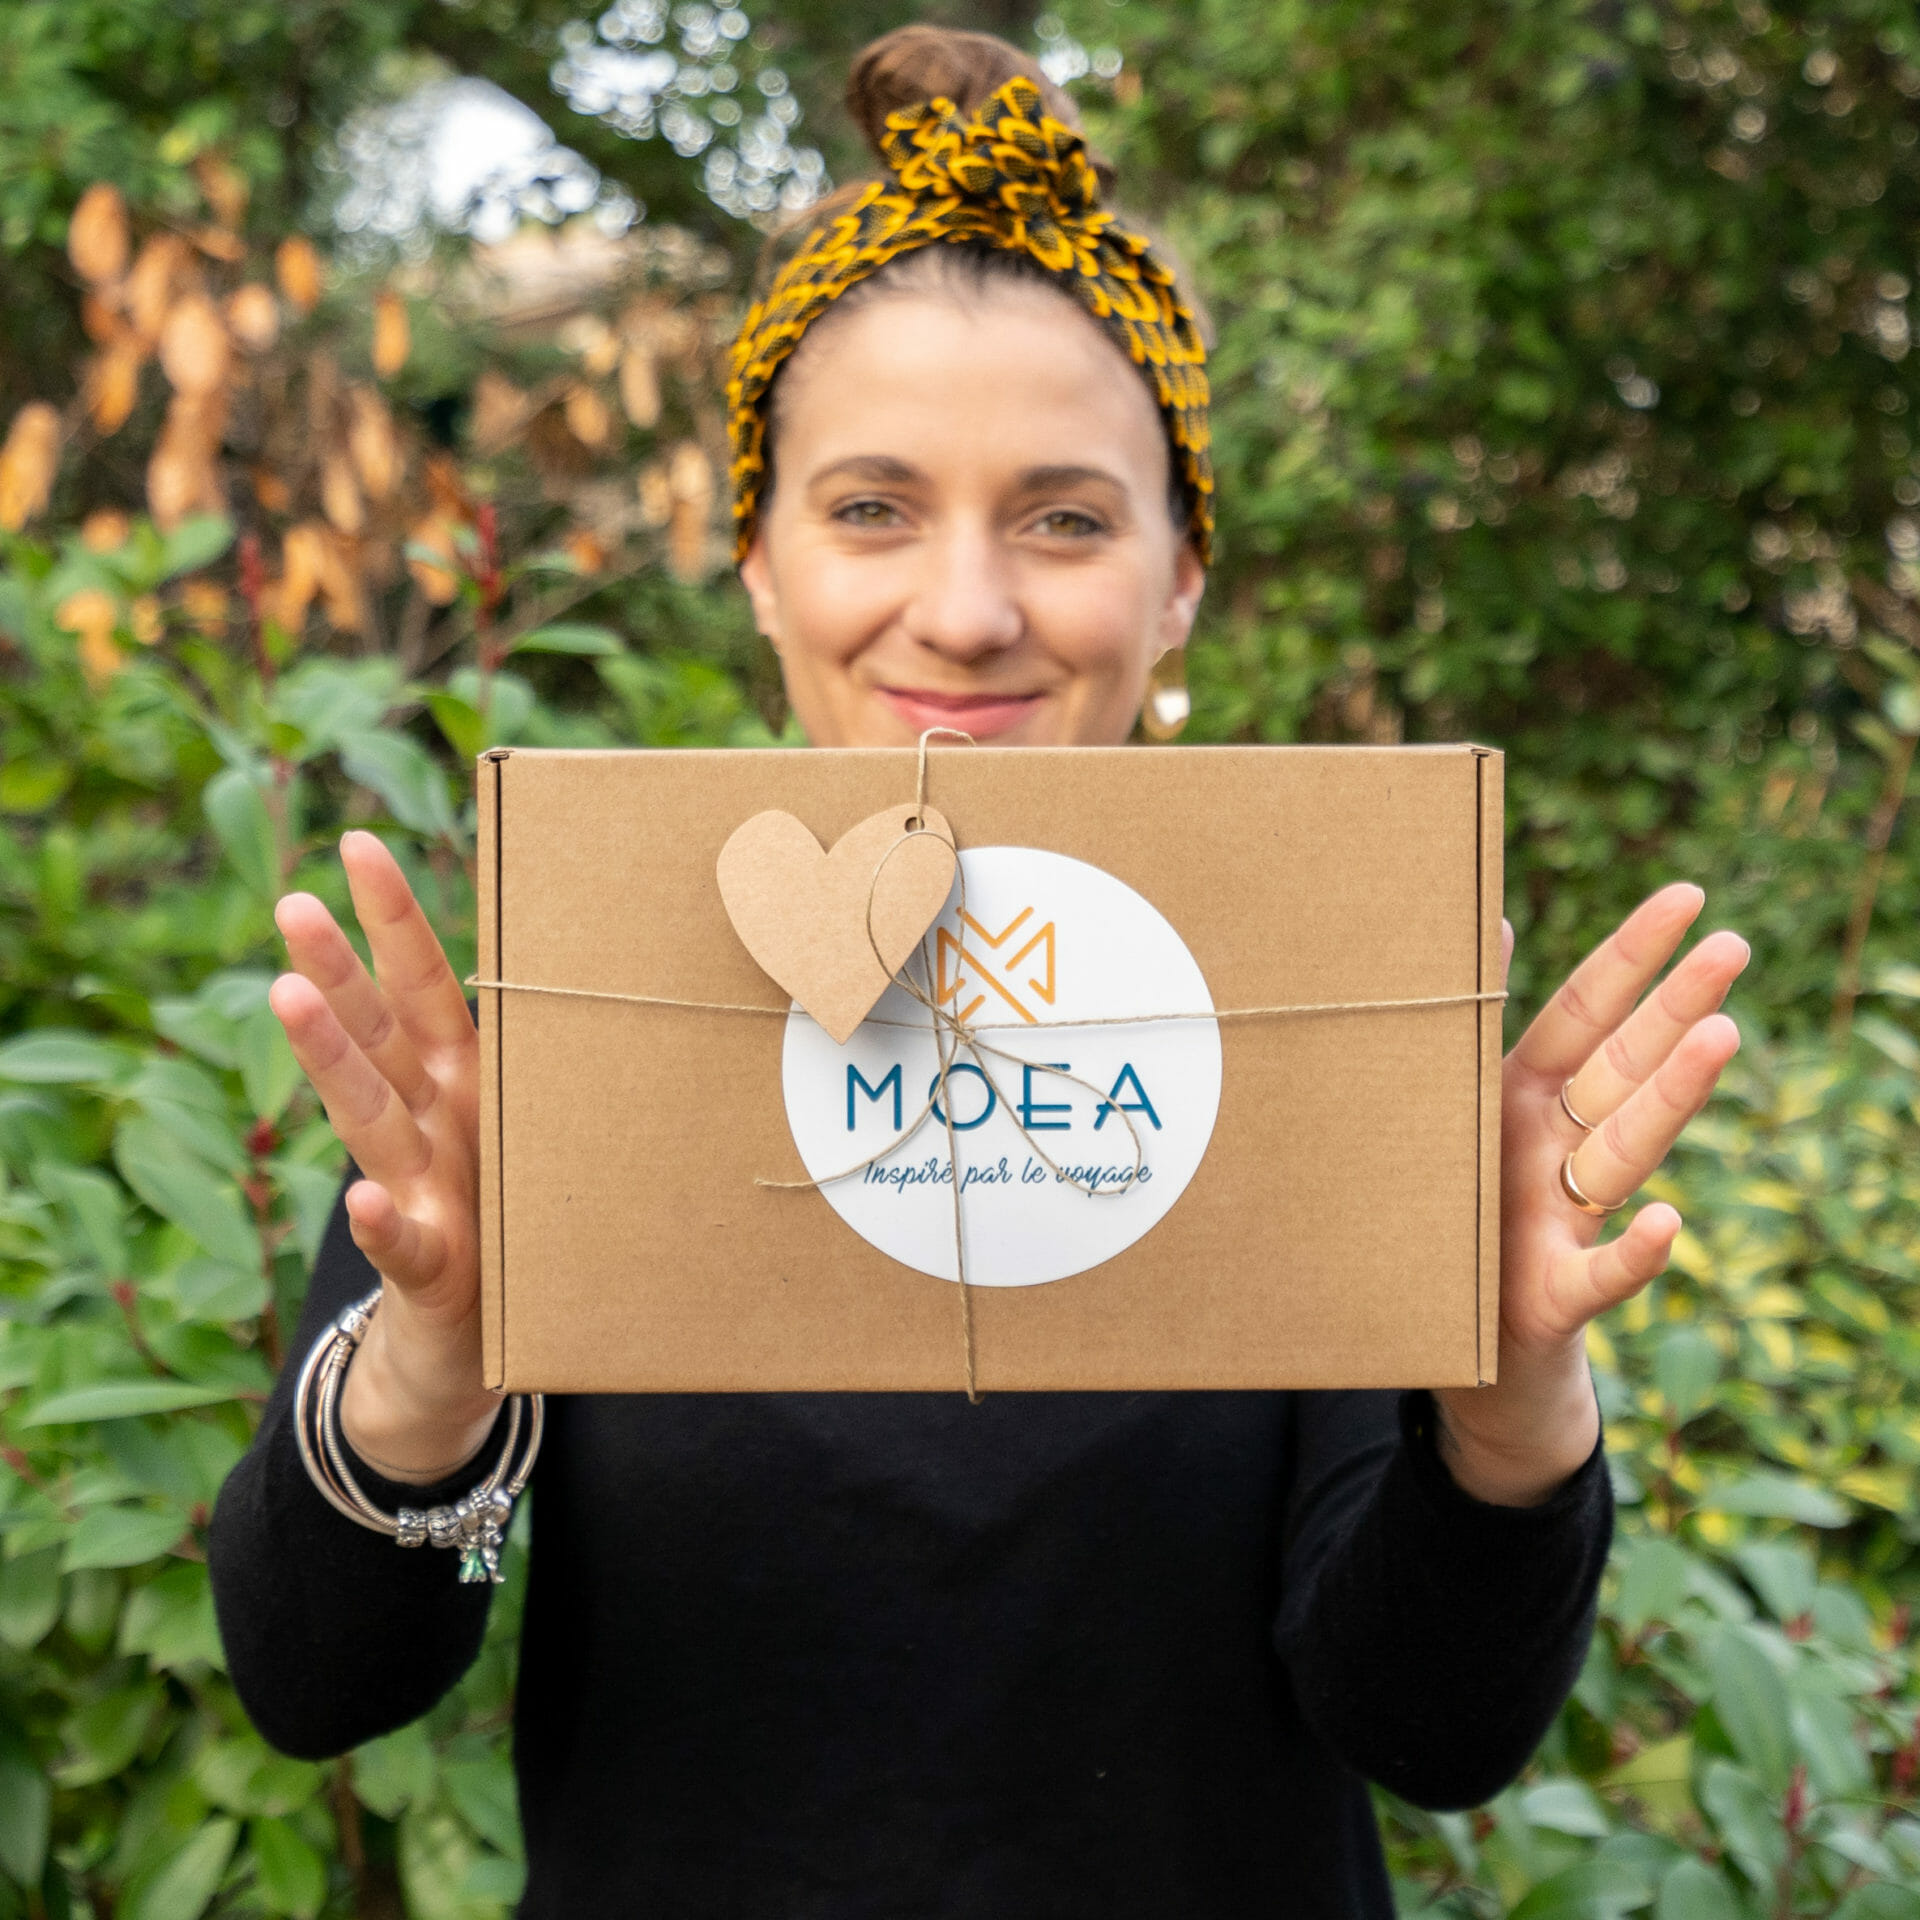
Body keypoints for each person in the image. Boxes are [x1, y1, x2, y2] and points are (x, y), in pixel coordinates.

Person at [209, 27, 1750, 1918]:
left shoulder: (1315, 1011)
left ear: (1181, 580)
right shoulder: (595, 1006)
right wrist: (427, 1396)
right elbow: (329, 1683)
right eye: (871, 507)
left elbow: (1426, 1730)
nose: (963, 608)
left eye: (1066, 517)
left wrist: (1502, 1421)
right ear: (758, 561)